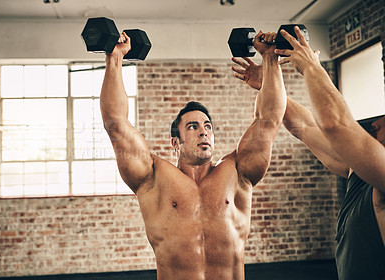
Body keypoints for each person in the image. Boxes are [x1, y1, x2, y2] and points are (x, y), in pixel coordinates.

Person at [100, 30, 286, 279]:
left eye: (207, 126)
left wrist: (271, 60)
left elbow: (269, 120)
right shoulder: (153, 178)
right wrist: (115, 58)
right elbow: (116, 123)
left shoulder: (238, 172)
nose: (203, 132)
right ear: (175, 142)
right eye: (193, 127)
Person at [232, 27, 385, 280]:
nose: (375, 124)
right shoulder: (359, 174)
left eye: (384, 121)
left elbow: (335, 123)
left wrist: (311, 67)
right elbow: (303, 127)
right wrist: (269, 76)